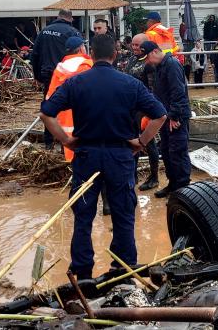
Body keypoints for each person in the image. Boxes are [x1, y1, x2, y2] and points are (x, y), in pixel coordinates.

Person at [40, 34, 167, 279]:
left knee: (84, 215)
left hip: (86, 155)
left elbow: (46, 113)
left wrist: (66, 140)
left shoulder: (76, 83)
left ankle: (83, 271)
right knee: (123, 213)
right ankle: (123, 269)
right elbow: (160, 115)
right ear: (115, 54)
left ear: (92, 55)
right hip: (120, 156)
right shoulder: (130, 84)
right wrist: (141, 142)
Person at [143, 41, 192, 198]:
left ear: (156, 51)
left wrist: (174, 115)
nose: (148, 61)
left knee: (177, 152)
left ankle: (182, 190)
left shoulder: (172, 64)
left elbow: (178, 92)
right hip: (165, 116)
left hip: (175, 117)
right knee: (166, 151)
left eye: (148, 57)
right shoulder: (159, 67)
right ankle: (173, 185)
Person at [31, 10, 82, 148]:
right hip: (67, 75)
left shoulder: (44, 31)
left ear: (57, 17)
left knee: (50, 106)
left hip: (49, 75)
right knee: (69, 108)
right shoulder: (72, 32)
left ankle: (48, 141)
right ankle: (66, 141)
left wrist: (37, 76)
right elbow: (79, 55)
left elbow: (34, 54)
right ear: (70, 18)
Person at [124, 34, 163, 190]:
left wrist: (149, 113)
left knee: (149, 142)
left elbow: (154, 90)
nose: (134, 48)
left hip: (144, 109)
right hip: (130, 109)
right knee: (132, 141)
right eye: (132, 45)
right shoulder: (132, 59)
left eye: (137, 45)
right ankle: (132, 176)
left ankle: (154, 177)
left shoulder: (149, 64)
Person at [46, 37, 94, 163]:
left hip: (64, 116)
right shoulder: (86, 65)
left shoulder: (60, 67)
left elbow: (50, 97)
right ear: (80, 48)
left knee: (69, 144)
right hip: (83, 114)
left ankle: (70, 166)